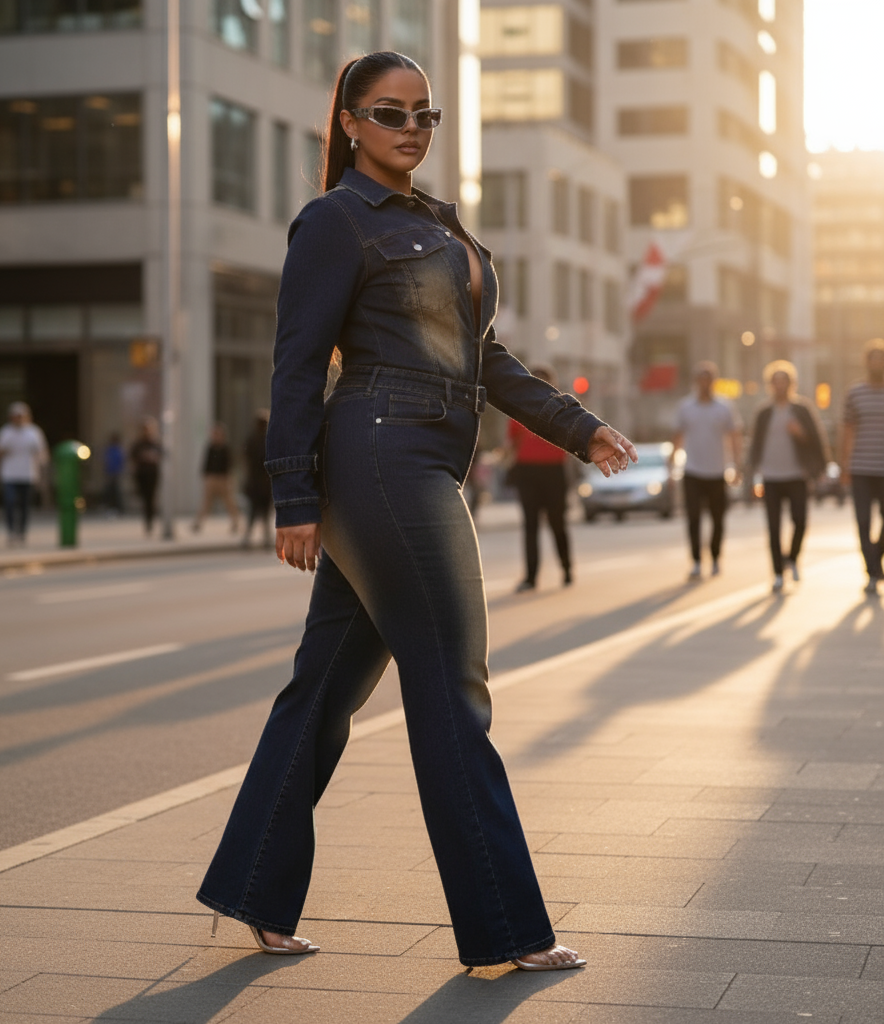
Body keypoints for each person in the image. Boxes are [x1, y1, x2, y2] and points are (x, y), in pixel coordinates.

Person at [196, 51, 636, 972]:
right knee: (451, 687)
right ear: (350, 122)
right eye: (390, 113)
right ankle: (505, 932)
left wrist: (580, 427)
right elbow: (294, 361)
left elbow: (486, 358)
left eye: (426, 116)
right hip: (384, 459)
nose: (411, 128)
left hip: (422, 455)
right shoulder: (334, 221)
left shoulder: (438, 225)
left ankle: (254, 895)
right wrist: (292, 496)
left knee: (321, 691)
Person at [748, 361, 829, 593]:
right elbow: (755, 445)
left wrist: (801, 435)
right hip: (771, 476)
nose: (780, 386)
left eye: (784, 381)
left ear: (791, 384)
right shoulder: (764, 412)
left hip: (797, 475)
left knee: (800, 521)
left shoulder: (801, 409)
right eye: (776, 382)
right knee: (773, 527)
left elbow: (816, 439)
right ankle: (777, 574)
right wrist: (752, 473)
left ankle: (792, 558)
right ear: (771, 385)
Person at [671, 362, 742, 581]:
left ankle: (715, 557)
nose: (705, 384)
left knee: (718, 519)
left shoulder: (724, 407)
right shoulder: (686, 407)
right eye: (701, 379)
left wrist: (737, 466)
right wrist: (671, 465)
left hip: (717, 471)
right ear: (695, 382)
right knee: (693, 518)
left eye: (708, 379)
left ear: (714, 381)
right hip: (692, 471)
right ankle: (696, 561)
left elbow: (734, 436)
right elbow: (677, 437)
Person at [506, 365, 573, 590]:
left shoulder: (562, 408)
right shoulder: (519, 408)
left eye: (543, 381)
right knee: (530, 525)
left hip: (554, 471)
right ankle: (531, 577)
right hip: (527, 471)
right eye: (534, 380)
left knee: (557, 523)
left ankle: (566, 568)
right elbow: (513, 441)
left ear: (552, 384)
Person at [840, 338, 884, 594]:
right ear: (866, 363)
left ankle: (876, 559)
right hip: (861, 468)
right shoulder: (855, 392)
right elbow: (847, 429)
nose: (877, 363)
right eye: (873, 359)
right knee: (863, 521)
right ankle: (872, 573)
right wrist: (844, 465)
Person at [0, 402, 48, 547]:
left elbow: (42, 453)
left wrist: (42, 472)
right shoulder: (5, 432)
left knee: (24, 505)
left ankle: (22, 532)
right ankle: (11, 531)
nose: (18, 419)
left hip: (28, 474)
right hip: (9, 474)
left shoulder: (34, 432)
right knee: (10, 503)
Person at [193, 422, 240, 533]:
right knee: (206, 502)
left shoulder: (225, 448)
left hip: (223, 479)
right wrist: (205, 476)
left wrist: (228, 478)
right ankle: (198, 523)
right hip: (212, 478)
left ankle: (236, 522)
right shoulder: (210, 447)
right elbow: (206, 463)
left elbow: (229, 465)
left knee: (229, 502)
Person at [240, 412, 272, 548]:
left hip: (254, 482)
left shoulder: (251, 439)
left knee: (252, 514)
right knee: (264, 514)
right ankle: (266, 540)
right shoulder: (268, 440)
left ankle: (248, 539)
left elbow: (244, 460)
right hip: (265, 483)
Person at [130, 417, 162, 535]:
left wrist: (153, 457)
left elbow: (161, 454)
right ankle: (148, 519)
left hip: (152, 474)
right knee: (144, 498)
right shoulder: (138, 444)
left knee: (150, 498)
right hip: (142, 474)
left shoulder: (155, 443)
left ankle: (150, 522)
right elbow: (132, 456)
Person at [102, 432, 125, 516]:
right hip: (110, 472)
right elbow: (106, 461)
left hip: (115, 473)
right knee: (110, 491)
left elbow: (121, 462)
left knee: (116, 491)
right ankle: (110, 507)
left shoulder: (118, 450)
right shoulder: (110, 449)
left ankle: (118, 508)